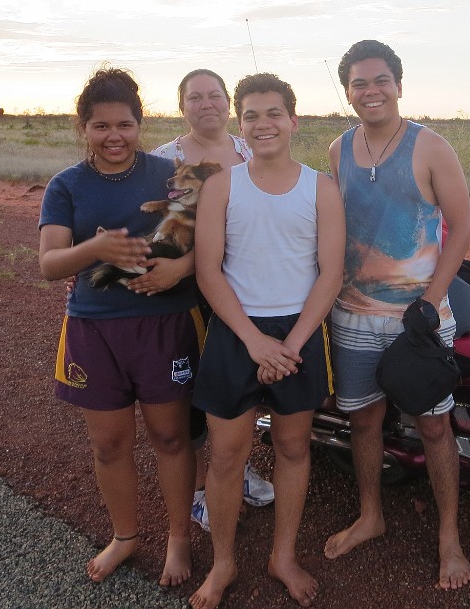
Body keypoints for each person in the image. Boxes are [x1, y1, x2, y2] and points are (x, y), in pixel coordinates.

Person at [38, 67, 199, 586]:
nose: (114, 137)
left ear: (140, 124)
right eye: (101, 126)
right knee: (109, 443)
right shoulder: (66, 185)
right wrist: (95, 250)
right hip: (94, 329)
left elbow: (205, 244)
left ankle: (179, 538)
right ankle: (125, 536)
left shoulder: (170, 175)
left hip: (163, 325)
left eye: (125, 125)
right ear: (83, 127)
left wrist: (176, 267)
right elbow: (49, 264)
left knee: (171, 437)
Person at [189, 73, 344, 609]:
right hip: (238, 332)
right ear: (239, 124)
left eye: (273, 113)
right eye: (251, 115)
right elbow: (209, 271)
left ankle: (283, 555)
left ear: (293, 121)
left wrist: (293, 344)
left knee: (293, 447)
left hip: (297, 333)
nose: (263, 124)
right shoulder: (221, 186)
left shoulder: (320, 187)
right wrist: (254, 341)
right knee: (227, 455)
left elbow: (330, 273)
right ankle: (224, 562)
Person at [323, 40, 470, 589]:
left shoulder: (431, 147)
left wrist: (431, 302)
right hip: (353, 314)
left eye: (380, 80)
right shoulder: (338, 150)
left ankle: (449, 536)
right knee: (363, 419)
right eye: (359, 83)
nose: (371, 91)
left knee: (434, 425)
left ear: (399, 84)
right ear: (347, 92)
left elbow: (461, 227)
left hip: (419, 319)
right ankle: (370, 515)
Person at [151, 68, 274, 530]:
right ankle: (206, 488)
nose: (207, 104)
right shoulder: (164, 160)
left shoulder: (249, 150)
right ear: (182, 105)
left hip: (245, 286)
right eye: (195, 97)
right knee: (198, 390)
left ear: (229, 104)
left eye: (215, 95)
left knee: (241, 382)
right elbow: (153, 231)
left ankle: (236, 471)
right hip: (185, 297)